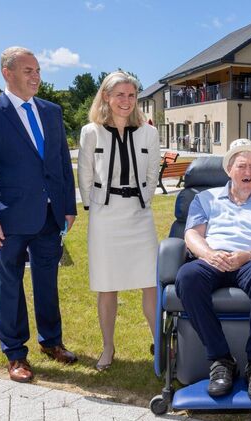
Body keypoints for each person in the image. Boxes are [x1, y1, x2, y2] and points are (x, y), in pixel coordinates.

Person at [0, 47, 78, 383]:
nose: (36, 77)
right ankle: (15, 353)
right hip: (9, 219)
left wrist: (68, 206)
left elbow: (60, 164)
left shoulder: (51, 111)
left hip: (49, 216)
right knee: (10, 285)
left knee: (47, 282)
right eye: (28, 70)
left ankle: (51, 341)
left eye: (38, 70)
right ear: (7, 73)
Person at [174, 138, 251, 402]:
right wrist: (210, 255)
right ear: (228, 169)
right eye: (241, 166)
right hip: (213, 258)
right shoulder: (205, 198)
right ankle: (221, 360)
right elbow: (192, 235)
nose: (248, 173)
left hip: (250, 260)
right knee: (187, 277)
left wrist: (249, 255)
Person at [77, 71, 161, 371]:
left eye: (131, 95)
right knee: (107, 285)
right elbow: (85, 174)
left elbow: (153, 173)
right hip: (105, 217)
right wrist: (92, 206)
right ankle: (108, 348)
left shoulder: (149, 133)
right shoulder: (91, 132)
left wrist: (143, 200)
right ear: (106, 97)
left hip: (139, 216)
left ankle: (161, 346)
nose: (126, 101)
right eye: (120, 95)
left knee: (151, 283)